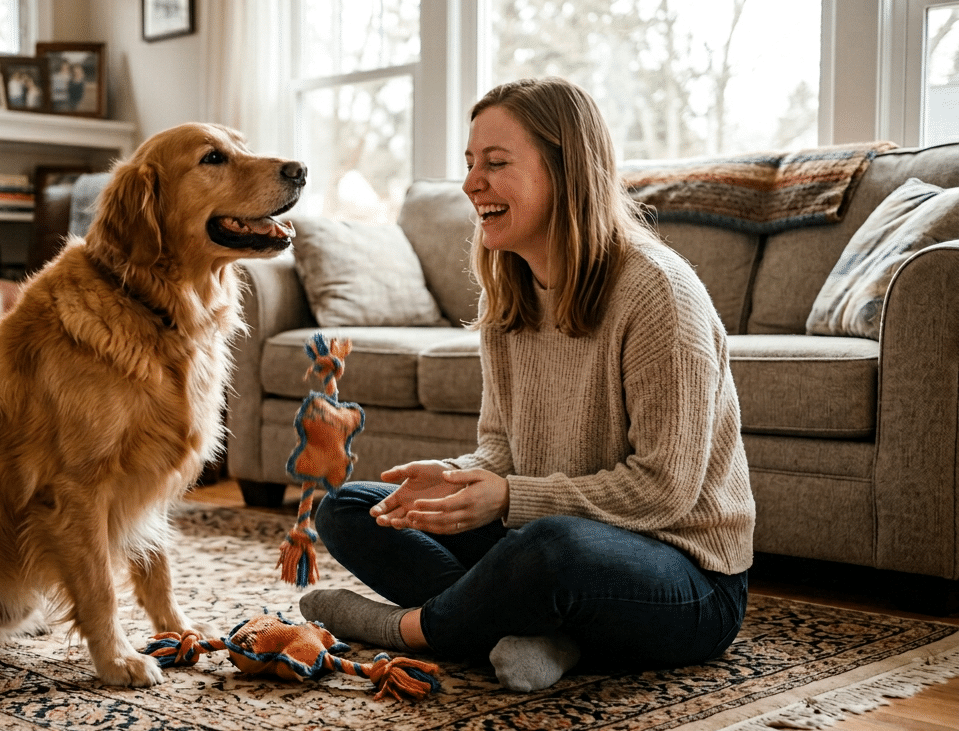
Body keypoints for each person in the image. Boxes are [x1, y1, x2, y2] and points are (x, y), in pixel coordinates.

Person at [299, 77, 756, 692]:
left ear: (566, 172)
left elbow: (665, 491)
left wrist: (509, 499)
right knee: (354, 509)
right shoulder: (508, 289)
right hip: (542, 543)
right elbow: (501, 451)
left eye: (496, 163)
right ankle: (543, 636)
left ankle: (412, 630)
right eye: (469, 164)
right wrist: (458, 480)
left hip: (686, 578)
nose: (470, 184)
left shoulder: (658, 293)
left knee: (552, 549)